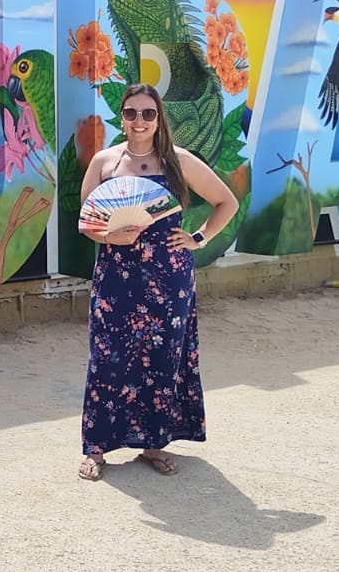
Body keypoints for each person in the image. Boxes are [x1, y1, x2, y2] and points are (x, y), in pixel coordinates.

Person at [76, 82, 239, 481]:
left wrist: (198, 238)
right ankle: (96, 449)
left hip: (168, 277)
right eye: (131, 113)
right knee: (108, 356)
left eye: (148, 113)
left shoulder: (177, 161)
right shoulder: (105, 162)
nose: (139, 121)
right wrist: (108, 236)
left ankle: (153, 443)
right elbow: (87, 221)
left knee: (162, 357)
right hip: (116, 274)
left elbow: (227, 202)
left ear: (158, 118)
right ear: (122, 117)